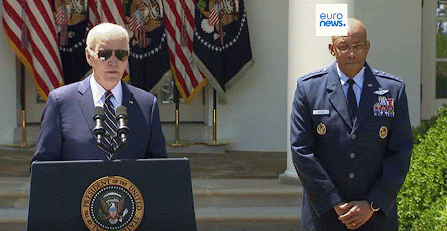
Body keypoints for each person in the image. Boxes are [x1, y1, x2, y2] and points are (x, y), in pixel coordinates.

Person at [290, 18, 413, 230]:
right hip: (325, 217)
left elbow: (400, 152)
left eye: (358, 46)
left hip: (375, 217)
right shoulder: (309, 90)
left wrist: (372, 204)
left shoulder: (393, 90)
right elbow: (301, 151)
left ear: (367, 47)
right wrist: (334, 202)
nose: (352, 53)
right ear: (332, 49)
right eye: (344, 47)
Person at [32, 23, 167, 161]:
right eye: (104, 54)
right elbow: (42, 167)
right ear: (89, 57)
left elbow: (159, 167)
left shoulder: (147, 104)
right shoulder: (60, 102)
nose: (113, 62)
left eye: (121, 54)